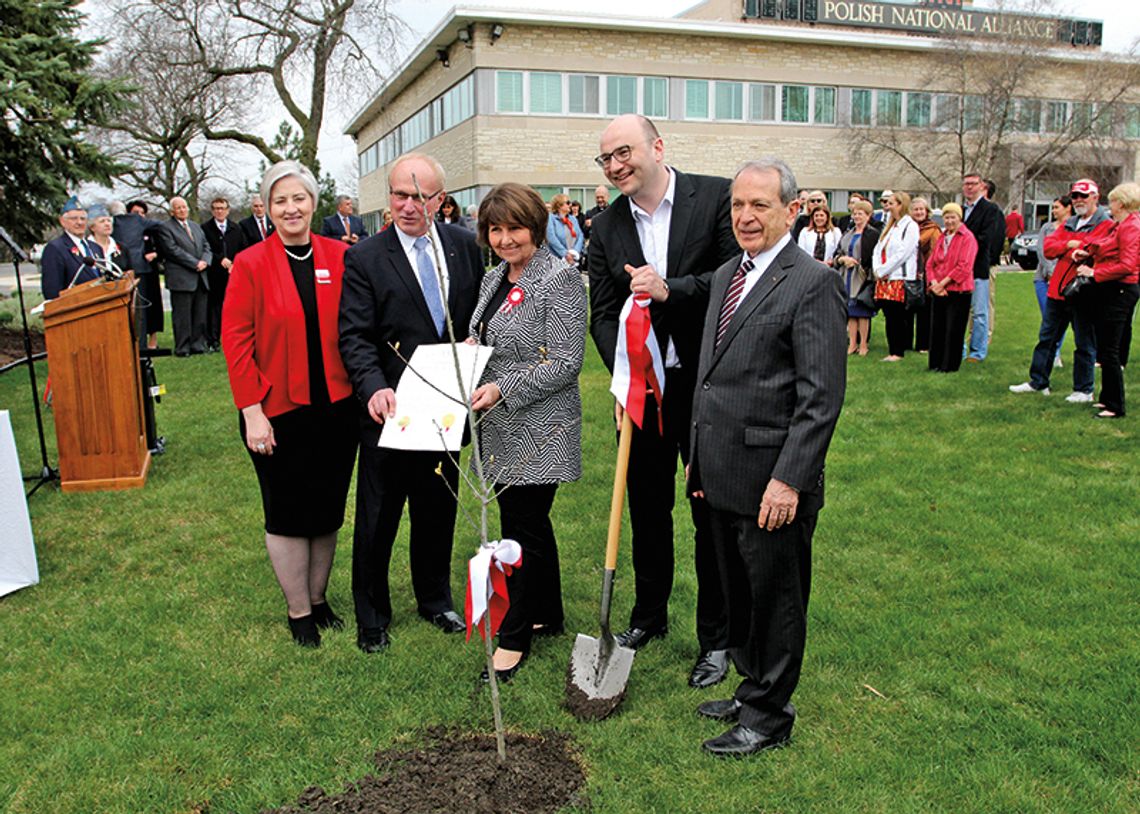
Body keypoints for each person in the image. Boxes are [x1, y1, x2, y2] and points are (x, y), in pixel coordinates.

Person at [688, 157, 846, 757]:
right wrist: (698, 455)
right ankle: (752, 688)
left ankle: (769, 718)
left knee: (776, 600)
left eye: (760, 205)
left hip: (772, 482)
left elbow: (821, 398)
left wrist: (789, 481)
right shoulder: (730, 271)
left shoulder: (813, 282)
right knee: (741, 595)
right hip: (722, 472)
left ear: (790, 210)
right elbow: (712, 377)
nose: (746, 217)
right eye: (738, 206)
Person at [588, 114, 738, 689]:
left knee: (710, 516)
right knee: (647, 511)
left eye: (623, 152)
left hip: (707, 389)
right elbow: (603, 311)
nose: (615, 165)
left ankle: (717, 637)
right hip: (642, 394)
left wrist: (670, 290)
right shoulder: (606, 227)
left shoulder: (716, 198)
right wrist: (628, 370)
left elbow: (730, 283)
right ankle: (648, 617)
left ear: (657, 147)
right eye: (605, 159)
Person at [338, 152, 484, 654]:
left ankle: (434, 597)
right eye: (398, 195)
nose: (406, 206)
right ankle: (372, 616)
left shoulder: (466, 248)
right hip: (391, 411)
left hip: (446, 407)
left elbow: (476, 317)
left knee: (437, 508)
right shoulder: (365, 258)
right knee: (378, 517)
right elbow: (355, 336)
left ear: (440, 200)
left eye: (418, 196)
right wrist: (373, 386)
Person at [221, 160, 359, 648]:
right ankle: (298, 611)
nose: (291, 208)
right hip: (276, 412)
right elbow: (235, 340)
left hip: (338, 408)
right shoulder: (252, 263)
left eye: (298, 198)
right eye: (280, 200)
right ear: (268, 208)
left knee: (326, 508)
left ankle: (319, 601)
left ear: (313, 202)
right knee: (287, 511)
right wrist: (252, 411)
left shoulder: (340, 255)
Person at [465, 182, 587, 682]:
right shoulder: (494, 278)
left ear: (536, 227)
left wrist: (501, 388)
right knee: (532, 525)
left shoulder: (559, 280)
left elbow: (566, 361)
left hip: (541, 427)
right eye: (496, 229)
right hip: (498, 428)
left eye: (515, 227)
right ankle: (547, 613)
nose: (506, 238)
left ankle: (514, 637)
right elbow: (486, 335)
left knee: (522, 530)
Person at [1010, 179, 1109, 402]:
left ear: (1095, 196)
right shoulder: (1069, 222)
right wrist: (1069, 246)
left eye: (1084, 196)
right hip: (1058, 290)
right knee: (1047, 337)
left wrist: (1075, 245)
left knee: (1084, 341)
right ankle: (1039, 382)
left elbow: (1095, 248)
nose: (1079, 200)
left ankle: (1084, 389)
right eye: (1075, 196)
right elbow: (1049, 247)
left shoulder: (1104, 222)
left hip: (1083, 291)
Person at [1071, 182, 1140, 418]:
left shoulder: (1131, 227)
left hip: (1122, 290)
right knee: (1105, 345)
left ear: (1121, 203)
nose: (1109, 206)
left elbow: (1128, 265)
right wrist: (1088, 251)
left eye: (1112, 201)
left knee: (1110, 349)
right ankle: (1106, 397)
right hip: (1114, 289)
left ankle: (1115, 405)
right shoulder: (1122, 225)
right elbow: (1109, 245)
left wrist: (1095, 273)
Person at [925, 203, 977, 373]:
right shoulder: (942, 237)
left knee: (953, 330)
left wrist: (943, 283)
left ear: (959, 218)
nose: (949, 221)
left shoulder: (967, 238)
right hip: (939, 290)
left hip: (958, 290)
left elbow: (964, 266)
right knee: (937, 328)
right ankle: (935, 363)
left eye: (952, 217)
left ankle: (949, 366)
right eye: (946, 217)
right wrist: (934, 283)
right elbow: (930, 263)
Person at [157, 196, 212, 357]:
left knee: (200, 314)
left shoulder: (195, 226)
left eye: (184, 207)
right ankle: (183, 347)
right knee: (182, 316)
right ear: (172, 211)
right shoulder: (166, 228)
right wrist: (195, 263)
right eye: (178, 208)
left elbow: (206, 246)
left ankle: (198, 345)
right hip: (182, 278)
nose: (182, 210)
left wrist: (205, 261)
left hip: (201, 277)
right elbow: (172, 250)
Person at [961, 173, 1004, 362]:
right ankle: (959, 349)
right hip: (959, 269)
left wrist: (963, 247)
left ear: (981, 186)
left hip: (978, 267)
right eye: (966, 184)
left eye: (973, 184)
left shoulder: (990, 210)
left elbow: (987, 239)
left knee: (979, 311)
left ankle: (978, 351)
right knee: (961, 311)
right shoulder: (961, 211)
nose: (969, 187)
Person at [872, 191, 918, 362]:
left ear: (901, 204)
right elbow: (878, 249)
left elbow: (903, 253)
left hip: (899, 277)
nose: (888, 206)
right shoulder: (890, 226)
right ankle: (892, 350)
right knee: (889, 316)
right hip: (885, 278)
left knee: (897, 316)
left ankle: (898, 351)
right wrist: (877, 269)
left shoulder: (910, 226)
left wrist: (884, 270)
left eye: (891, 203)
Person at [832, 199, 880, 356]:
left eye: (861, 214)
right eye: (855, 213)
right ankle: (852, 343)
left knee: (862, 312)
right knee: (851, 312)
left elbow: (874, 256)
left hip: (862, 276)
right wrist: (842, 260)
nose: (857, 216)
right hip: (847, 275)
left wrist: (862, 266)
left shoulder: (872, 234)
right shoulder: (848, 233)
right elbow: (838, 253)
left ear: (868, 215)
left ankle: (863, 344)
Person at [115, 200, 164, 348]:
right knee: (136, 308)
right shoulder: (125, 224)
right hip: (134, 270)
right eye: (136, 213)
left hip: (148, 272)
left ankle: (146, 342)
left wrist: (156, 253)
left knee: (146, 308)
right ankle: (139, 344)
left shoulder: (149, 230)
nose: (139, 216)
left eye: (143, 213)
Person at [201, 197, 247, 352]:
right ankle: (214, 340)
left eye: (222, 208)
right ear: (212, 211)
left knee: (234, 308)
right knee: (214, 309)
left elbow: (243, 249)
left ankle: (234, 338)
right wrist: (220, 259)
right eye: (216, 208)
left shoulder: (236, 228)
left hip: (233, 274)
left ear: (228, 210)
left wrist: (235, 264)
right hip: (215, 274)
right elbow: (205, 249)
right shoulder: (205, 229)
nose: (219, 211)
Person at [1034, 196, 1072, 368]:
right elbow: (1042, 251)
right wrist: (1050, 272)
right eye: (1053, 207)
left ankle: (1055, 352)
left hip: (1065, 280)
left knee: (1060, 318)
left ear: (1068, 208)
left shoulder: (1073, 227)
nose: (1054, 211)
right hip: (1043, 278)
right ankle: (1051, 352)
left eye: (1057, 207)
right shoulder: (1047, 228)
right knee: (1048, 316)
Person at [40, 197, 101, 300]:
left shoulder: (96, 248)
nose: (79, 222)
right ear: (62, 222)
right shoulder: (55, 248)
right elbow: (52, 292)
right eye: (74, 219)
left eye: (83, 219)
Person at [910, 197, 941, 353]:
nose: (919, 212)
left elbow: (936, 252)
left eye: (922, 209)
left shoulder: (933, 229)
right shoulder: (907, 227)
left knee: (925, 311)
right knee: (908, 309)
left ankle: (924, 344)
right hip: (909, 273)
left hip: (926, 273)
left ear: (927, 211)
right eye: (916, 209)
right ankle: (905, 343)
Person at [85, 203, 133, 277]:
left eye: (109, 220)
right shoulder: (85, 248)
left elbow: (130, 272)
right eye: (102, 221)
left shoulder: (122, 248)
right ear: (92, 227)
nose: (107, 224)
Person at [546, 193, 583, 266]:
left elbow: (580, 236)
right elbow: (551, 238)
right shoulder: (550, 218)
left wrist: (575, 252)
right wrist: (565, 254)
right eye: (568, 203)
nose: (570, 205)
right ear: (559, 205)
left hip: (574, 260)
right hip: (557, 261)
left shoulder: (573, 219)